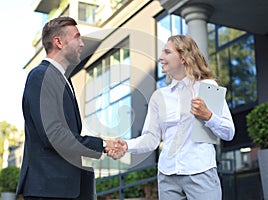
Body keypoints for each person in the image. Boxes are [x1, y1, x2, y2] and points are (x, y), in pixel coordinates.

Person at [109, 35, 235, 200]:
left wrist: (208, 116)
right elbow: (151, 139)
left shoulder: (208, 87)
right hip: (167, 177)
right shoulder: (159, 96)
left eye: (167, 52)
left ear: (183, 57)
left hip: (200, 172)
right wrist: (127, 145)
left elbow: (229, 132)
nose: (161, 57)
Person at [16, 16, 119, 200]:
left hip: (67, 188)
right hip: (48, 190)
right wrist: (102, 144)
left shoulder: (64, 79)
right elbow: (53, 135)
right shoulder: (40, 76)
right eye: (77, 37)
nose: (81, 43)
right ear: (59, 42)